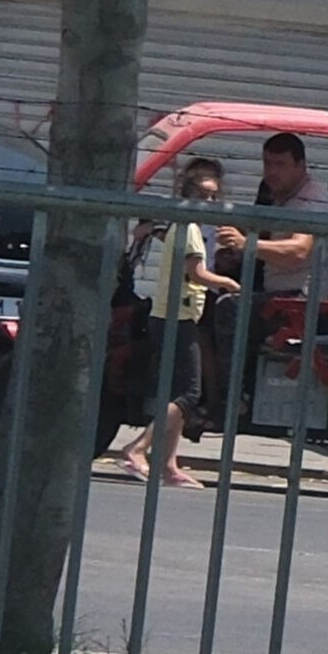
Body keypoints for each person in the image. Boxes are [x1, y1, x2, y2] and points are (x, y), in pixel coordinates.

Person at [109, 156, 230, 485]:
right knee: (190, 393)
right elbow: (197, 272)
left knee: (178, 392)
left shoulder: (183, 227)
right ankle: (137, 448)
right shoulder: (189, 229)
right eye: (202, 195)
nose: (209, 202)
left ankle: (168, 465)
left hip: (177, 313)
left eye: (214, 196)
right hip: (179, 315)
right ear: (187, 194)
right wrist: (230, 284)